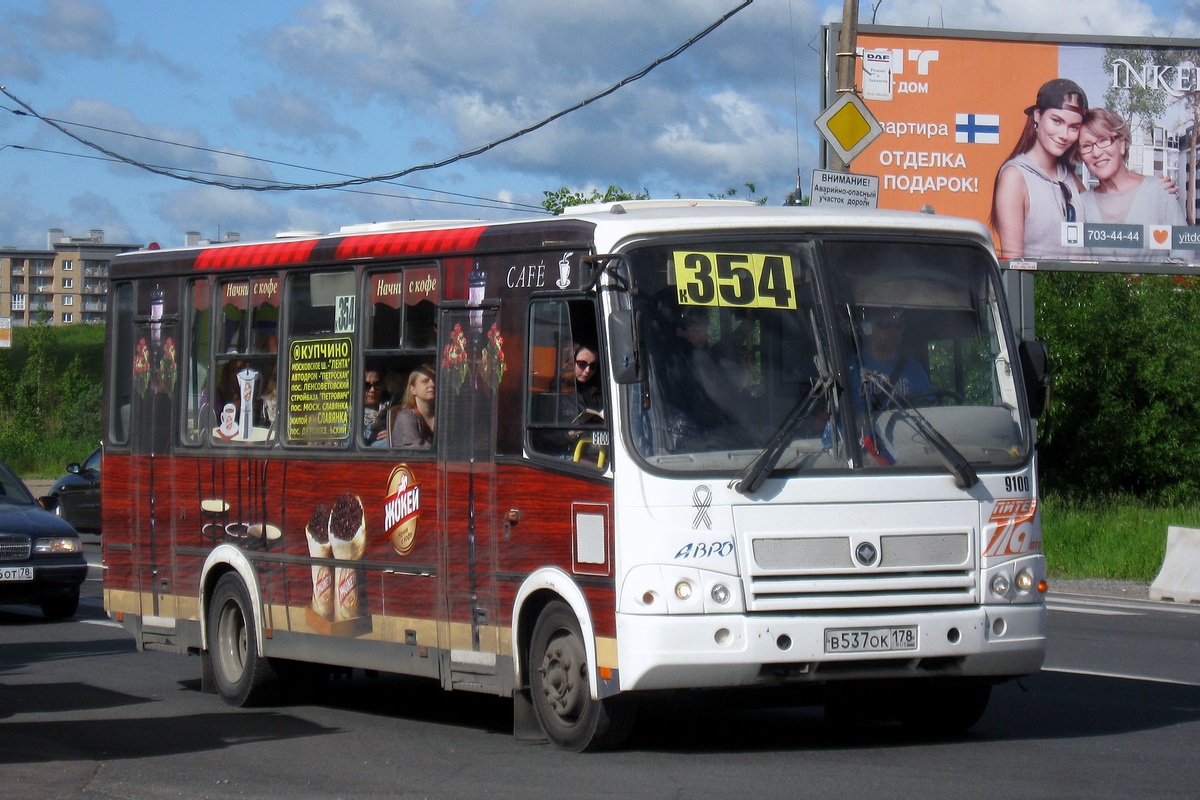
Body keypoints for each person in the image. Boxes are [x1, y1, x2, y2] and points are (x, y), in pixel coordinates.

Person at [991, 78, 1089, 259]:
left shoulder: (1069, 176)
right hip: (1036, 286)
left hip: (1081, 285)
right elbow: (1014, 266)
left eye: (1073, 127)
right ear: (1037, 115)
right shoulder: (1015, 177)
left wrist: (1154, 186)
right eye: (1057, 121)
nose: (1064, 135)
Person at [1078, 107, 1187, 261]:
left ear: (1122, 144)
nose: (1096, 153)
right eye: (1086, 146)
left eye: (1103, 140)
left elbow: (1182, 259)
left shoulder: (1160, 192)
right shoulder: (1081, 204)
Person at [855, 307, 933, 407]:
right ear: (867, 329)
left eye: (899, 326)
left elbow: (928, 409)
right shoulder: (851, 369)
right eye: (884, 325)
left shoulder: (914, 370)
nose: (893, 330)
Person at [388, 365, 436, 449]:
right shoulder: (405, 417)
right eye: (425, 381)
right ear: (413, 389)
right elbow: (416, 449)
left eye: (434, 380)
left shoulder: (443, 415)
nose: (432, 384)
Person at [362, 368, 388, 442]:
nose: (372, 390)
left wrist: (393, 432)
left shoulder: (392, 410)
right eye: (366, 385)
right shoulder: (349, 417)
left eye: (377, 384)